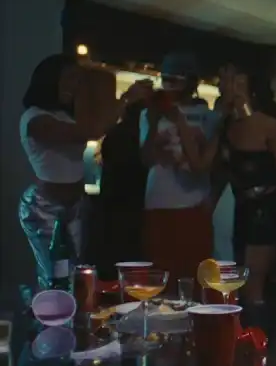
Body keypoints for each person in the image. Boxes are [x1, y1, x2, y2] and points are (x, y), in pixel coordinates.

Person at [180, 64, 276, 323]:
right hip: (242, 208)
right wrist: (180, 125)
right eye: (224, 81)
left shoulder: (268, 125)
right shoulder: (226, 126)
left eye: (234, 82)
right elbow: (201, 164)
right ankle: (246, 334)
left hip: (266, 208)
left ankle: (258, 337)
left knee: (254, 280)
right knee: (240, 282)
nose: (225, 87)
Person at [20, 54, 150, 288]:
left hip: (76, 205)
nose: (74, 86)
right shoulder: (34, 118)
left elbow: (95, 127)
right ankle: (44, 311)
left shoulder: (66, 116)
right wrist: (126, 99)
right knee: (52, 274)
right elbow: (90, 132)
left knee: (77, 273)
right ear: (51, 80)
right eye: (69, 78)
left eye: (78, 80)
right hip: (45, 207)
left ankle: (73, 312)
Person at [140, 52, 219, 290]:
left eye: (175, 80)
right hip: (158, 200)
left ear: (190, 82)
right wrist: (154, 122)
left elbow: (206, 162)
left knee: (194, 273)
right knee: (160, 273)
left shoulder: (207, 116)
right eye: (165, 80)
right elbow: (145, 159)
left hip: (194, 200)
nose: (169, 87)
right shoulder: (149, 113)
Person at [85, 97, 149, 280]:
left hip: (110, 209)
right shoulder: (141, 136)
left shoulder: (115, 134)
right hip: (134, 209)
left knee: (108, 268)